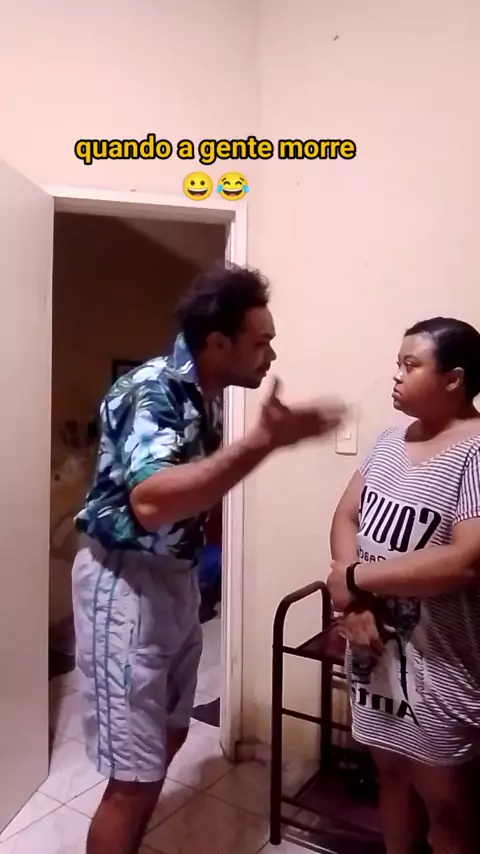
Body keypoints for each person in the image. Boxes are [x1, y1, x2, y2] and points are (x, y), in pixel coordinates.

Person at [72, 263, 346, 854]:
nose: (271, 354)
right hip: (126, 582)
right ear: (218, 343)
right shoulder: (153, 390)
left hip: (174, 578)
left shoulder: (205, 397)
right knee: (133, 777)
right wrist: (264, 441)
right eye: (261, 342)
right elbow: (151, 502)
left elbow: (194, 491)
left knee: (168, 736)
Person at [327, 316, 480, 854]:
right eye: (398, 363)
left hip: (442, 666)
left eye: (410, 365)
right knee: (390, 777)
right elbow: (346, 517)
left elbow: (466, 561)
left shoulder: (475, 452)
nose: (396, 375)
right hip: (375, 656)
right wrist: (354, 604)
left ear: (454, 379)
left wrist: (352, 578)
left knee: (448, 808)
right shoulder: (389, 441)